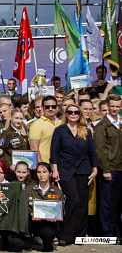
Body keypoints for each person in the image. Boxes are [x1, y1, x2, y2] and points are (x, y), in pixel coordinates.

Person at [51, 103, 98, 246]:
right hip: (65, 169)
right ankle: (66, 235)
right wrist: (55, 169)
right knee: (74, 201)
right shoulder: (60, 130)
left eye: (76, 112)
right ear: (65, 114)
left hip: (83, 169)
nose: (73, 114)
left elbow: (92, 152)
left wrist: (95, 168)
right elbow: (54, 152)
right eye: (70, 112)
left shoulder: (85, 131)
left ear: (80, 115)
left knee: (82, 203)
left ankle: (79, 235)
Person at [93, 94, 122, 237]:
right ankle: (107, 232)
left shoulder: (119, 124)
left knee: (115, 203)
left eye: (117, 106)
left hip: (120, 168)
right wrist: (105, 169)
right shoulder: (102, 126)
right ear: (107, 107)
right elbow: (100, 149)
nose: (115, 109)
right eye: (112, 106)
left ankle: (113, 230)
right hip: (109, 169)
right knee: (106, 203)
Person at [25, 162, 64, 252]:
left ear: (50, 173)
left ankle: (47, 244)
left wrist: (56, 219)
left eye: (44, 172)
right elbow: (24, 207)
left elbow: (60, 210)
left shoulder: (57, 192)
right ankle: (27, 243)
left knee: (48, 233)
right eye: (39, 172)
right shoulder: (29, 189)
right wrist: (31, 213)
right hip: (32, 222)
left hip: (48, 223)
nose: (41, 175)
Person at [0, 109, 30, 179]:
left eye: (21, 119)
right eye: (16, 118)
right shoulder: (7, 133)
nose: (18, 121)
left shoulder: (24, 133)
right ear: (11, 118)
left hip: (23, 170)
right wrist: (9, 165)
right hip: (12, 171)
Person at [29, 96, 61, 164]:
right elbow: (34, 148)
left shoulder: (62, 123)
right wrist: (41, 165)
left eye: (53, 106)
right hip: (45, 165)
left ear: (57, 107)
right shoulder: (36, 124)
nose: (50, 109)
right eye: (47, 107)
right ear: (43, 108)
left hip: (61, 165)